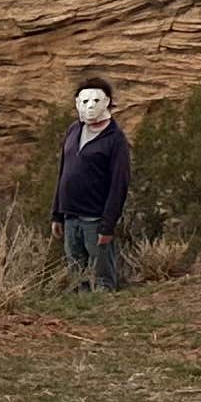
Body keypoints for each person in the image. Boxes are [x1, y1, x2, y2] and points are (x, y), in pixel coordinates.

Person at [51, 77, 131, 291]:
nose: (90, 106)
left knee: (102, 278)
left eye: (96, 100)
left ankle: (106, 313)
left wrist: (108, 225)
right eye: (84, 101)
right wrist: (57, 214)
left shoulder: (115, 139)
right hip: (70, 217)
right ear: (77, 103)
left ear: (107, 102)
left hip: (95, 220)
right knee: (77, 276)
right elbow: (63, 171)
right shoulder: (73, 130)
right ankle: (83, 312)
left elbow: (119, 185)